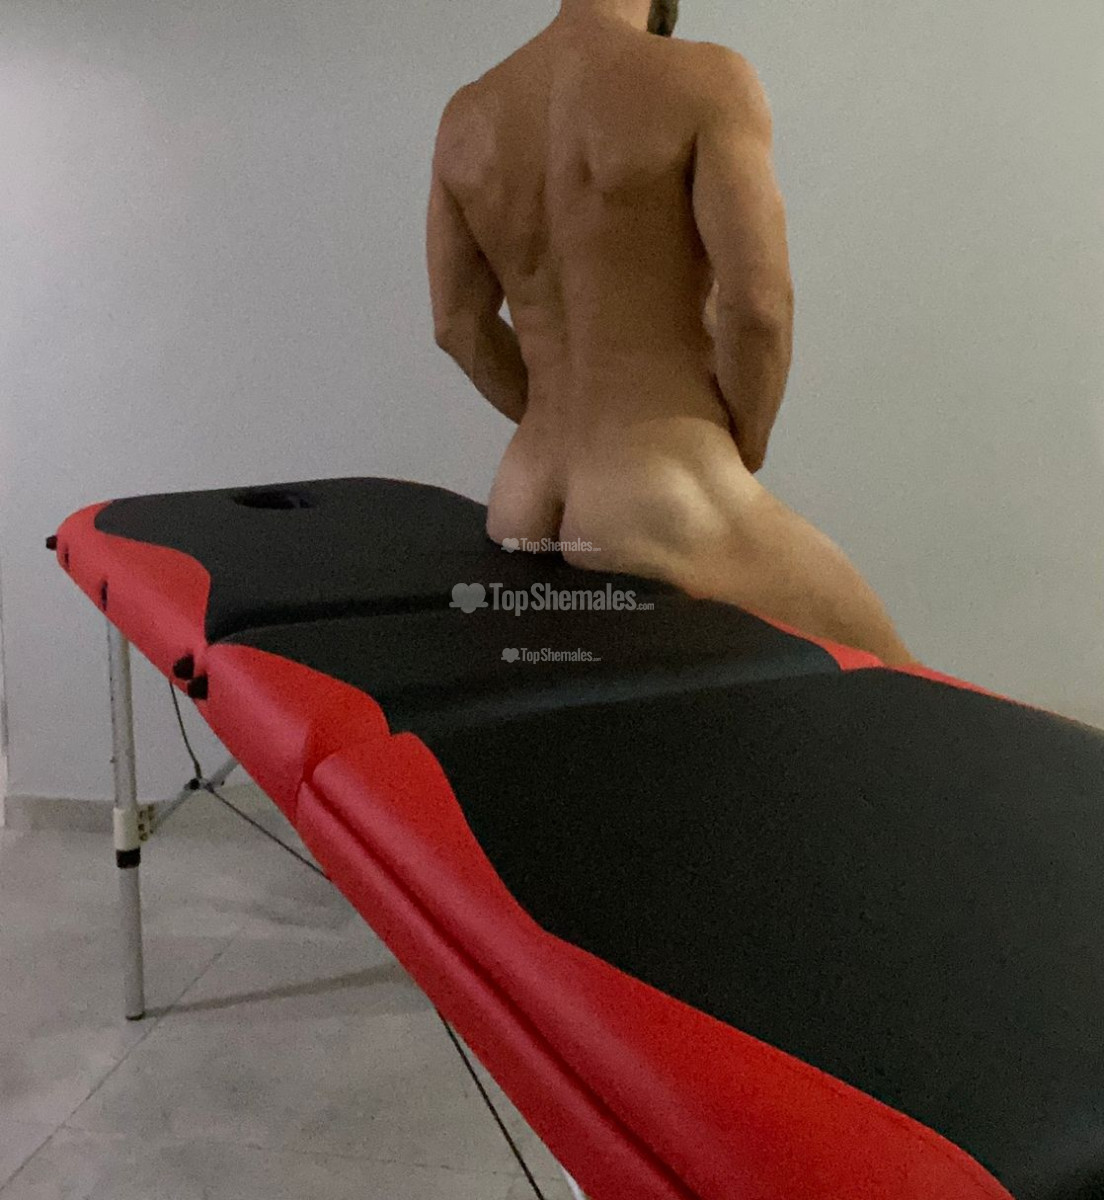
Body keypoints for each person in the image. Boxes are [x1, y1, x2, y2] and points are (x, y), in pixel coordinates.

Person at [427, 0, 920, 667]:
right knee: (902, 679)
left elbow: (457, 323)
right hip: (661, 494)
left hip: (522, 494)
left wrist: (561, 422)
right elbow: (757, 306)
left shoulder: (467, 114)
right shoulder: (708, 80)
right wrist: (746, 442)